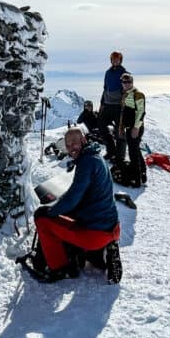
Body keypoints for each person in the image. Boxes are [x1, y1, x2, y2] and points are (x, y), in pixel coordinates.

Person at [32, 128, 122, 282]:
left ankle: (59, 268)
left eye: (74, 142)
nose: (71, 147)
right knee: (69, 216)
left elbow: (73, 197)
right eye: (67, 145)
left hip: (94, 234)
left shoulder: (86, 162)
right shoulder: (95, 157)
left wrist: (50, 212)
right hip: (111, 228)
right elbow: (82, 195)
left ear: (84, 140)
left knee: (42, 219)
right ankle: (100, 255)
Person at [117, 72, 147, 187]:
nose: (126, 84)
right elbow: (124, 112)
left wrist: (136, 127)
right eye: (124, 82)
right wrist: (121, 126)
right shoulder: (125, 94)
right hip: (129, 128)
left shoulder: (138, 94)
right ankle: (142, 172)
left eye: (128, 81)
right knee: (135, 150)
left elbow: (141, 112)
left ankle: (137, 179)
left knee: (133, 153)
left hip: (135, 128)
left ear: (132, 82)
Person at [96, 52, 126, 158]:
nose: (115, 60)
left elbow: (127, 89)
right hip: (108, 104)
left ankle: (120, 156)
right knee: (101, 125)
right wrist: (101, 104)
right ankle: (111, 150)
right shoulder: (108, 73)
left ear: (120, 60)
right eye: (113, 59)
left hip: (118, 105)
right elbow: (105, 88)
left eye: (117, 59)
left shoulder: (124, 72)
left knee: (120, 131)